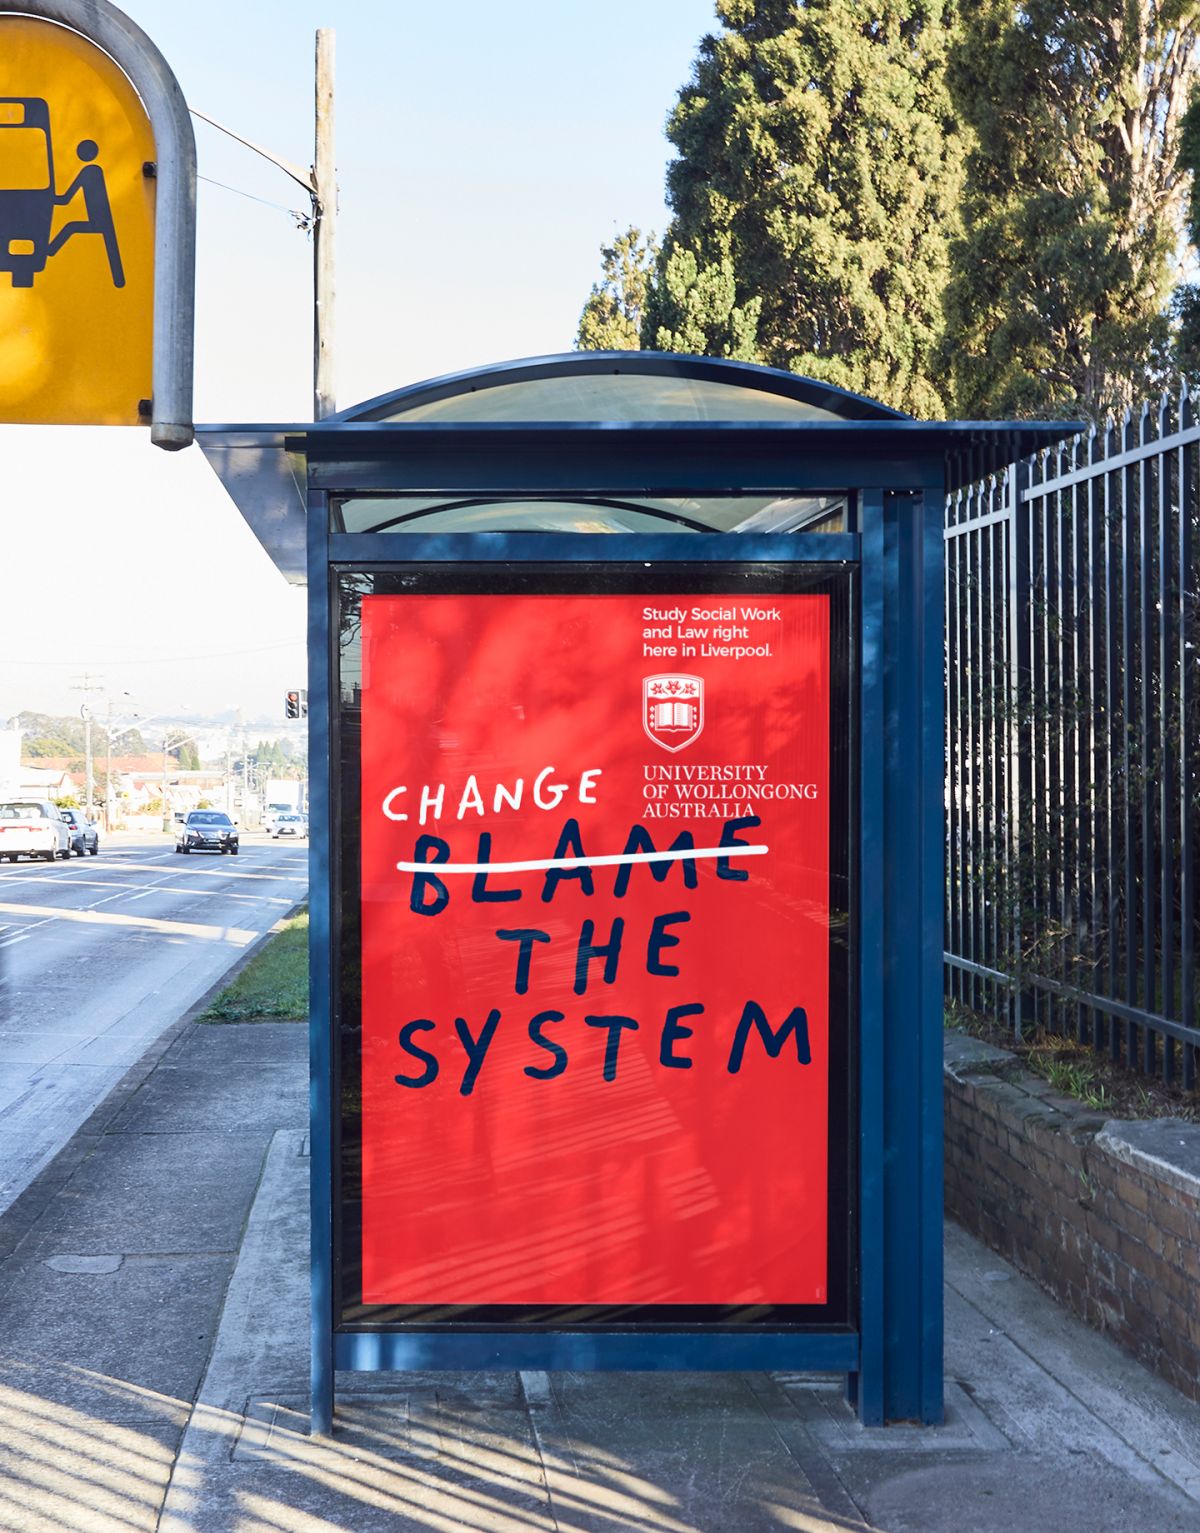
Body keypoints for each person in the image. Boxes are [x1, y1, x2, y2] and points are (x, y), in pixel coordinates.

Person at [47, 139, 124, 287]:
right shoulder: (94, 170)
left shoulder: (88, 172)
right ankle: (119, 280)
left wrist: (53, 199)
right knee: (111, 247)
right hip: (103, 216)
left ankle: (49, 250)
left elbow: (67, 197)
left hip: (98, 217)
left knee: (72, 227)